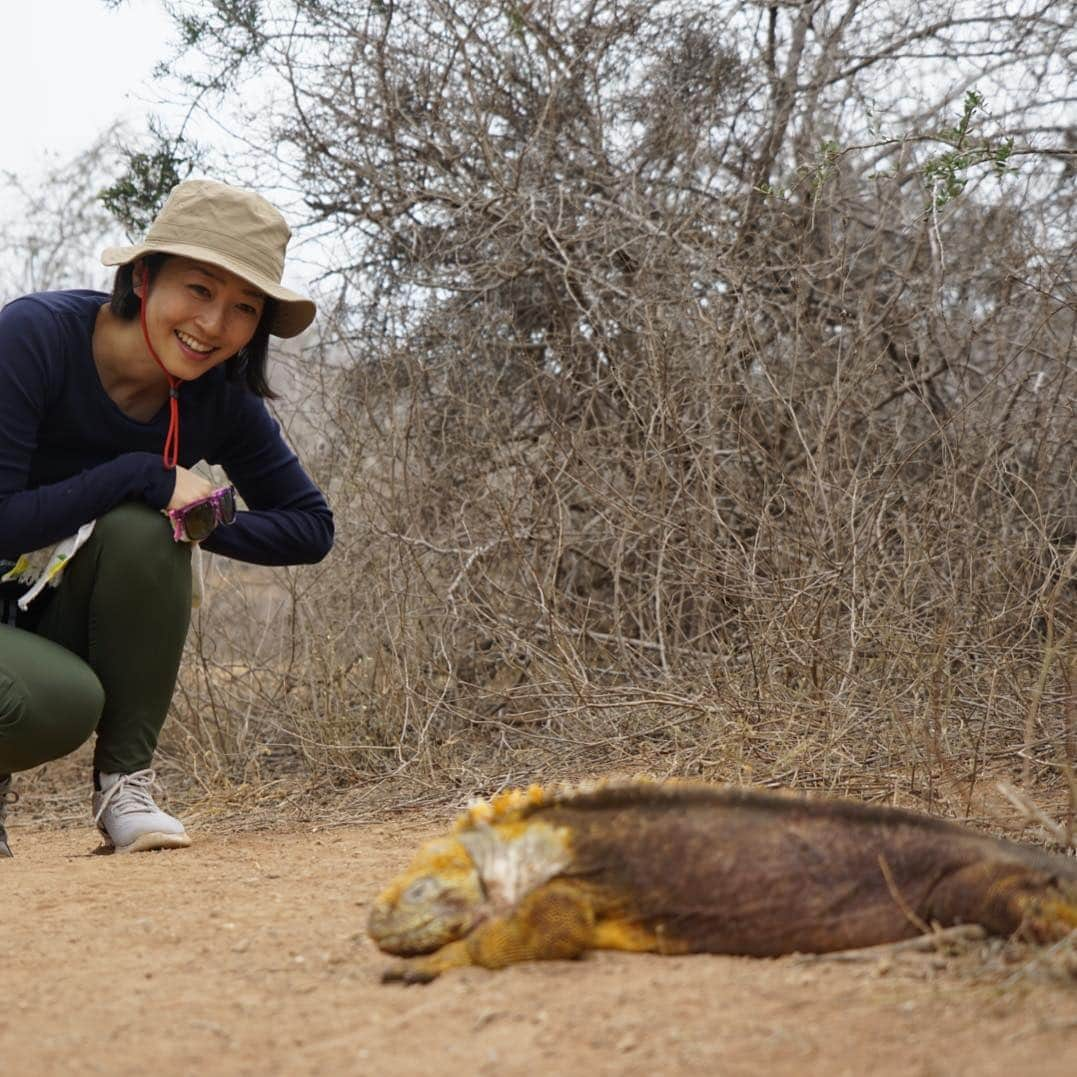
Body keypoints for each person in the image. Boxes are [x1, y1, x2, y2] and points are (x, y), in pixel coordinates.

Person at [0, 179, 334, 856]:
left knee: (145, 536)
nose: (214, 325)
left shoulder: (218, 399)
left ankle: (125, 786)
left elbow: (310, 526)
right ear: (143, 276)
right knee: (142, 505)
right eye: (200, 289)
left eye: (244, 307)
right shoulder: (32, 337)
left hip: (33, 613)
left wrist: (200, 514)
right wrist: (143, 476)